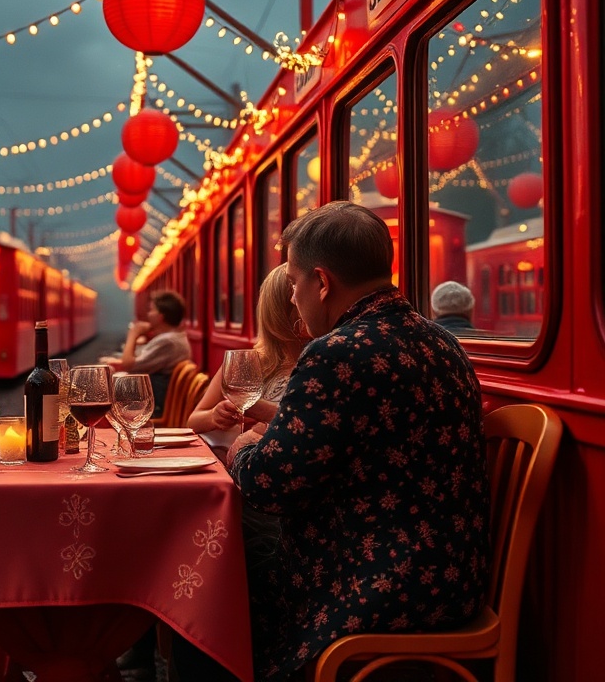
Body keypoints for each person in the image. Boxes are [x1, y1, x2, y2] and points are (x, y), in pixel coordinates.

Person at [212, 202, 491, 681]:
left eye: (294, 283)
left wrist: (241, 449)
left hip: (376, 585)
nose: (293, 298)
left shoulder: (336, 353)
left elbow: (267, 487)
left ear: (322, 283)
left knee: (210, 568)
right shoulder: (442, 341)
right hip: (454, 579)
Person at [186, 264, 306, 464]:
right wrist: (215, 416)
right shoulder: (249, 362)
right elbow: (193, 420)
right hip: (238, 464)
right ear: (281, 311)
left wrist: (263, 412)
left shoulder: (320, 361)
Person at [100, 289, 191, 417]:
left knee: (106, 386)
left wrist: (133, 334)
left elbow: (128, 365)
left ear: (160, 316)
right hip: (160, 396)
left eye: (152, 310)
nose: (148, 314)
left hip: (157, 403)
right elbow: (140, 361)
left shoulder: (168, 341)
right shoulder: (174, 337)